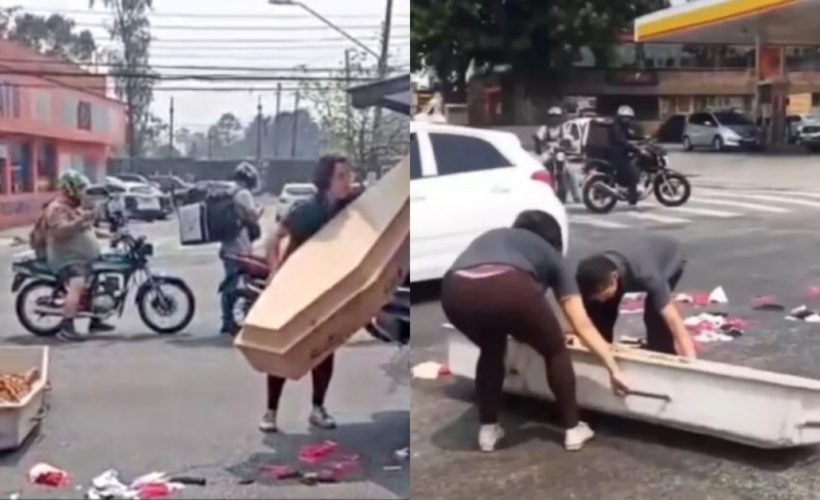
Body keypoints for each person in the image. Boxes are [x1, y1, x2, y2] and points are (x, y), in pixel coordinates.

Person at [440, 210, 630, 453]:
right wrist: (612, 367)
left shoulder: (495, 236)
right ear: (554, 240)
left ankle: (487, 431)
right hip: (509, 284)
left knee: (491, 349)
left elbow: (497, 297)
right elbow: (581, 324)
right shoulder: (551, 254)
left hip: (455, 291)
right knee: (554, 350)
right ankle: (573, 429)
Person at [260, 155, 360, 433]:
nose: (347, 181)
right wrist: (275, 273)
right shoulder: (307, 211)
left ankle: (317, 408)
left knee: (324, 348)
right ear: (326, 180)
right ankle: (270, 412)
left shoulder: (350, 209)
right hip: (296, 285)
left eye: (349, 175)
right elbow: (273, 239)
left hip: (327, 288)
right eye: (341, 176)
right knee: (285, 346)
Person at [575, 233, 697, 358]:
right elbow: (576, 311)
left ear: (614, 277)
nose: (600, 299)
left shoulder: (647, 276)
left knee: (655, 314)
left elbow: (673, 320)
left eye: (602, 294)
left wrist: (690, 357)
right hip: (630, 249)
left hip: (668, 256)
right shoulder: (588, 272)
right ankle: (602, 350)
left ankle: (662, 353)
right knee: (599, 309)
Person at [41, 170, 111, 342]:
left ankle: (95, 319)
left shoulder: (73, 207)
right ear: (70, 189)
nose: (83, 193)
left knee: (99, 277)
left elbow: (87, 229)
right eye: (80, 189)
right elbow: (60, 231)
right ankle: (66, 327)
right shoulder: (56, 208)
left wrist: (111, 235)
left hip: (82, 256)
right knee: (78, 283)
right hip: (66, 258)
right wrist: (82, 220)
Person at [219, 163, 263, 335]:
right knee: (240, 285)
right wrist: (260, 213)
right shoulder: (243, 194)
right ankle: (231, 321)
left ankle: (227, 319)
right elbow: (252, 216)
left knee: (230, 283)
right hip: (239, 246)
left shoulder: (231, 192)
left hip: (227, 246)